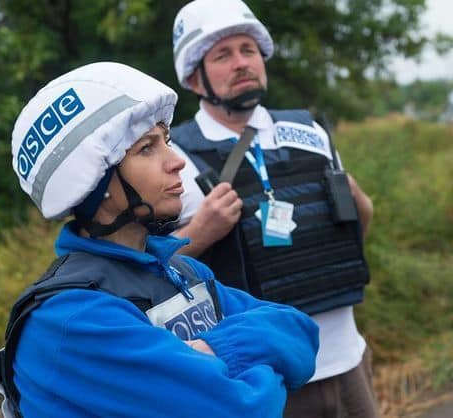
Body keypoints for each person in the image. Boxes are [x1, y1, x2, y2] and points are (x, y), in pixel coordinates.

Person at [0, 61, 319, 418]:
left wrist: (214, 348)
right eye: (147, 148)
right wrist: (257, 358)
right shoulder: (70, 319)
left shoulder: (183, 270)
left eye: (166, 141)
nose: (176, 161)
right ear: (94, 185)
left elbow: (300, 334)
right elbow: (245, 408)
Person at [169, 1, 377, 416]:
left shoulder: (309, 131)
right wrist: (200, 233)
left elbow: (357, 226)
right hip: (262, 382)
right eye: (223, 55)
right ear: (194, 77)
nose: (241, 63)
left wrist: (361, 204)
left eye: (248, 50)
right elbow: (141, 270)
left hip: (348, 362)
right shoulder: (173, 156)